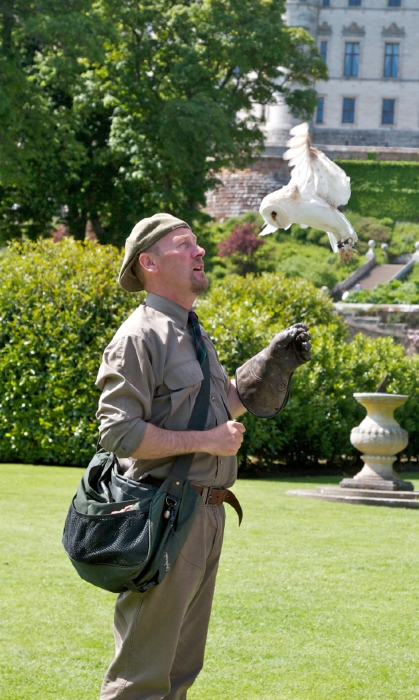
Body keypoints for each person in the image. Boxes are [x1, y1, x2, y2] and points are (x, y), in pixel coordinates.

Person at [96, 213, 311, 700]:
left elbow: (216, 408)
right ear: (149, 262)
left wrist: (266, 369)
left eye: (198, 243)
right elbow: (117, 431)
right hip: (162, 514)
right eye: (184, 245)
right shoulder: (140, 335)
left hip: (204, 513)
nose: (200, 252)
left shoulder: (192, 332)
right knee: (141, 675)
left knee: (178, 672)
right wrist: (207, 442)